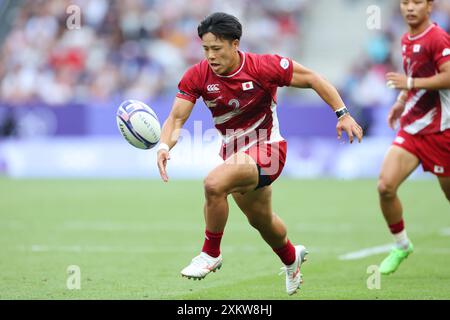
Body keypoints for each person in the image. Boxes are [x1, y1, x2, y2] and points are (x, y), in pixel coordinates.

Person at [156, 12, 363, 295]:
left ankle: (210, 254)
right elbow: (176, 119)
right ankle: (292, 259)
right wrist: (165, 146)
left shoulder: (263, 66)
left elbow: (313, 78)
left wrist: (343, 114)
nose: (211, 56)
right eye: (205, 49)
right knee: (261, 221)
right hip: (236, 155)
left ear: (235, 44)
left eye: (216, 48)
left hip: (269, 150)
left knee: (214, 184)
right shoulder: (197, 75)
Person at [378, 0, 450, 275]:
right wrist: (401, 100)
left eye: (417, 2)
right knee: (385, 186)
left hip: (441, 132)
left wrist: (409, 84)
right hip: (411, 129)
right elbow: (413, 74)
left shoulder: (437, 38)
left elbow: (448, 76)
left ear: (430, 6)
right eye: (405, 2)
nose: (410, 7)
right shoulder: (406, 39)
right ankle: (401, 244)